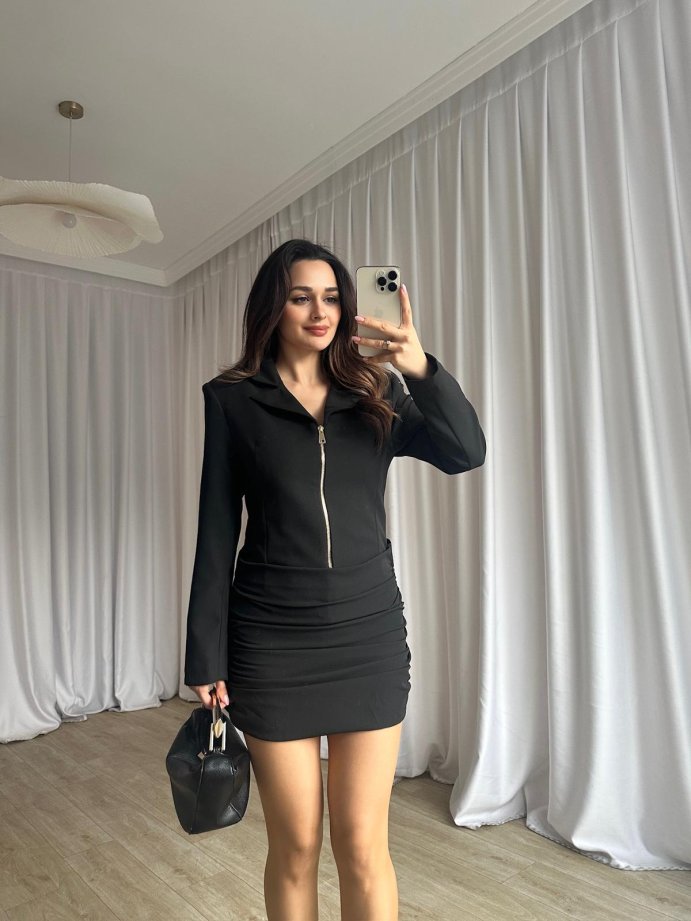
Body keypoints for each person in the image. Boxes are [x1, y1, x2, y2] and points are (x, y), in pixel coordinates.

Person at [184, 238, 486, 921]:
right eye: (301, 297)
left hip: (367, 638)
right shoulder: (232, 400)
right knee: (295, 845)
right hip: (271, 645)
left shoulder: (376, 392)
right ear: (274, 306)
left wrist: (418, 366)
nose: (319, 312)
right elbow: (215, 529)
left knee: (362, 845)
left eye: (330, 298)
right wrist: (205, 654)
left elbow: (466, 450)